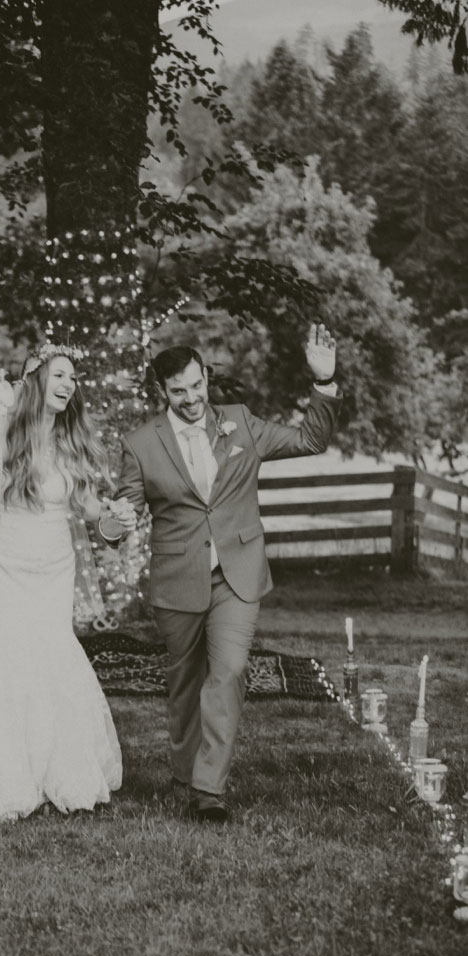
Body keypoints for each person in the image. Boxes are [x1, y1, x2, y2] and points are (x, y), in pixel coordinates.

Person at [100, 324, 341, 822]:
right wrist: (110, 525)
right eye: (178, 391)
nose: (190, 399)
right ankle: (186, 769)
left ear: (206, 377)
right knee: (185, 682)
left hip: (239, 575)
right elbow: (121, 516)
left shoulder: (242, 423)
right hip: (177, 578)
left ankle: (208, 790)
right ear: (162, 392)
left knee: (229, 671)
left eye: (196, 385)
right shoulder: (141, 443)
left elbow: (312, 440)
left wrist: (323, 382)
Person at [0, 344, 136, 821]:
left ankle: (58, 770)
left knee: (51, 653)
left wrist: (117, 520)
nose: (68, 384)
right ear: (34, 378)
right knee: (7, 653)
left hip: (54, 568)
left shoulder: (73, 443)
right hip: (4, 564)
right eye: (60, 374)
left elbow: (93, 519)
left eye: (73, 377)